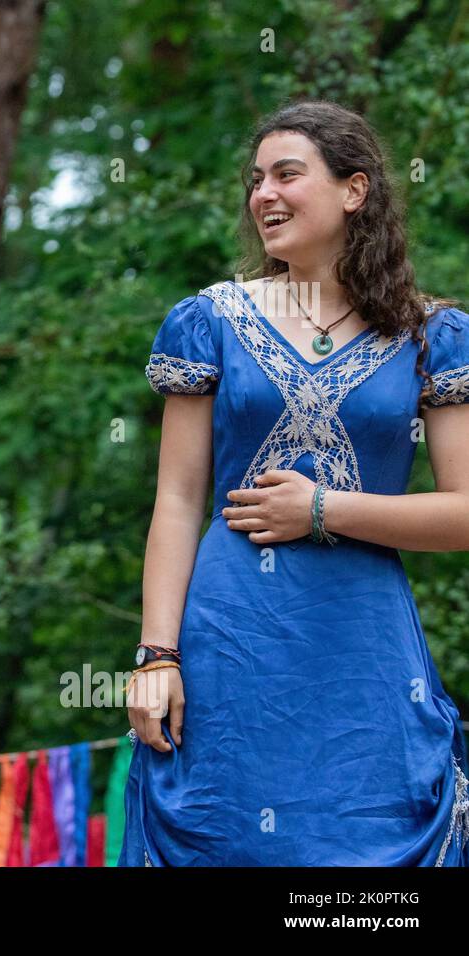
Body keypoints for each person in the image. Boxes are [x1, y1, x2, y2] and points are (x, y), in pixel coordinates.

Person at [121, 100, 469, 866]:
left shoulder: (432, 336)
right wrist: (157, 657)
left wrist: (323, 507)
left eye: (287, 175)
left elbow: (466, 514)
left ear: (355, 190)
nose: (263, 195)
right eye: (256, 180)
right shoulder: (209, 319)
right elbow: (177, 502)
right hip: (229, 644)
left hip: (363, 658)